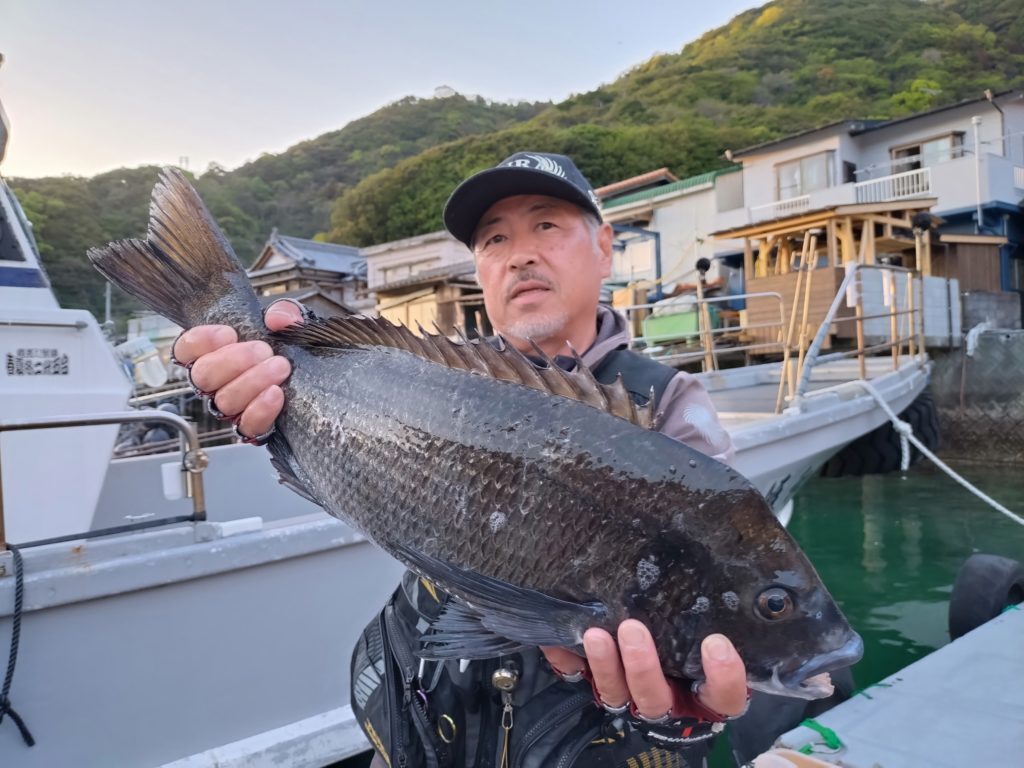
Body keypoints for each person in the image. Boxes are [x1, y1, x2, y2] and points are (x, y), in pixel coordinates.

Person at [173, 152, 750, 767]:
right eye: (494, 239)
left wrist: (690, 710)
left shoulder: (670, 410)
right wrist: (265, 395)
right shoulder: (430, 376)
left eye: (546, 225)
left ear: (604, 247)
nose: (519, 253)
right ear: (480, 270)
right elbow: (351, 449)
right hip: (421, 723)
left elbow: (720, 580)